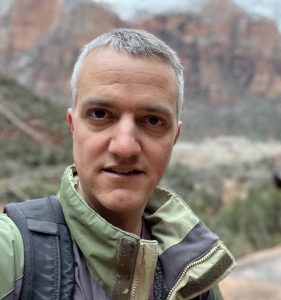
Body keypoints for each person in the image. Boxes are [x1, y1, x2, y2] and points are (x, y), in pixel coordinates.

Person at [0, 28, 235, 300]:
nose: (125, 147)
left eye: (153, 121)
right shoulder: (13, 252)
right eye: (100, 114)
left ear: (175, 137)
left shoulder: (192, 272)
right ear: (73, 125)